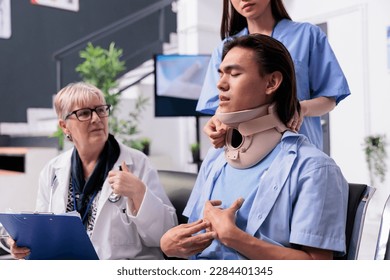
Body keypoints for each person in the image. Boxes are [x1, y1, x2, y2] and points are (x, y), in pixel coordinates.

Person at [160, 34, 348, 260]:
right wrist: (169, 246)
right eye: (220, 73)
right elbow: (194, 237)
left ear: (271, 83)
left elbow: (319, 268)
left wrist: (235, 237)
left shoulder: (314, 169)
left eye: (235, 73)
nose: (220, 83)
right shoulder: (216, 158)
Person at [8, 82, 177, 260]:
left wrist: (139, 193)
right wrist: (21, 245)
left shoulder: (138, 163)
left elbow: (166, 236)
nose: (96, 118)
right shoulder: (52, 170)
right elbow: (43, 231)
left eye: (101, 110)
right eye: (84, 113)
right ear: (64, 126)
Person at [198, 0, 350, 150]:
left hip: (296, 149)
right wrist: (218, 122)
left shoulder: (307, 35)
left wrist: (300, 108)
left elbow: (330, 97)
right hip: (244, 153)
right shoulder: (225, 48)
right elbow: (219, 108)